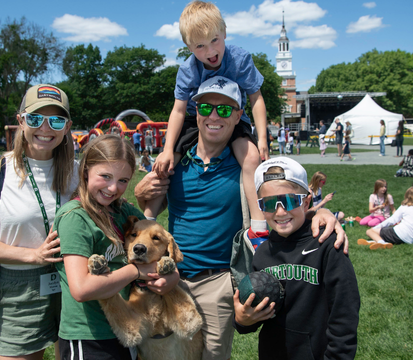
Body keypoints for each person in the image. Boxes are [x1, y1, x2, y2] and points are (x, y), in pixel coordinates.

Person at [135, 77, 346, 360]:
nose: (213, 116)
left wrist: (320, 212)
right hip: (168, 274)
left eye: (224, 110)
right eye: (206, 108)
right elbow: (147, 218)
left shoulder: (246, 163)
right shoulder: (176, 161)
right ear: (195, 112)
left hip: (218, 282)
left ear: (237, 117)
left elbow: (282, 205)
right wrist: (139, 194)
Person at [0, 84, 77, 359]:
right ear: (21, 121)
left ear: (67, 126)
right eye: (36, 118)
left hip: (72, 281)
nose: (45, 128)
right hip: (20, 286)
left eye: (56, 120)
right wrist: (32, 255)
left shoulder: (77, 171)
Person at [53, 135, 177, 360]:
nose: (113, 188)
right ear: (86, 170)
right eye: (105, 176)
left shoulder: (122, 211)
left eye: (123, 180)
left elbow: (158, 239)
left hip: (127, 327)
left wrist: (172, 275)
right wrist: (136, 271)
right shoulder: (75, 217)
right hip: (89, 336)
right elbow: (81, 289)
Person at [153, 1, 268, 234]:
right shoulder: (188, 70)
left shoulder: (240, 59)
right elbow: (177, 110)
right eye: (200, 46)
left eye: (215, 40)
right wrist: (167, 149)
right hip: (198, 116)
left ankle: (258, 226)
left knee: (251, 157)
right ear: (188, 46)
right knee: (168, 161)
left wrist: (263, 137)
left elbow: (256, 98)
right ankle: (148, 217)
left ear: (224, 32)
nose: (210, 52)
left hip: (233, 116)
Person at [233, 157, 360, 360]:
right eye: (270, 203)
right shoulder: (263, 254)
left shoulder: (327, 244)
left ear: (306, 201)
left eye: (290, 200)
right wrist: (242, 320)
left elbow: (345, 313)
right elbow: (257, 313)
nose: (281, 211)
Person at [358, 186, 413, 250]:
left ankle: (382, 243)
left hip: (399, 233)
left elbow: (392, 220)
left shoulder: (405, 206)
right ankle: (375, 241)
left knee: (369, 231)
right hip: (412, 239)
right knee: (383, 232)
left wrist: (376, 228)